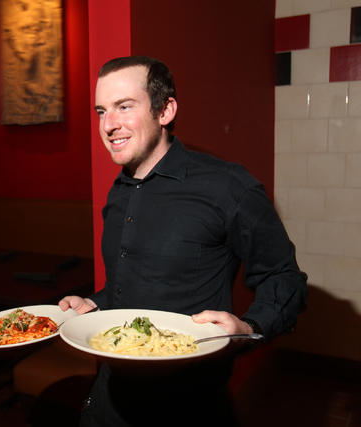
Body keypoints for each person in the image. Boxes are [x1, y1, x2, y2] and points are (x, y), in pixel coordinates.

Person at [59, 56, 308, 426]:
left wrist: (250, 328)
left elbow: (284, 277)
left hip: (187, 406)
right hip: (110, 399)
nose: (108, 125)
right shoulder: (119, 193)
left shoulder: (228, 187)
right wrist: (95, 303)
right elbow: (134, 287)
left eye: (124, 106)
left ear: (165, 111)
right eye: (101, 111)